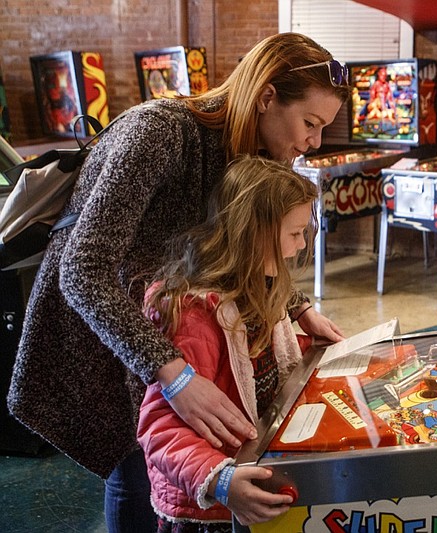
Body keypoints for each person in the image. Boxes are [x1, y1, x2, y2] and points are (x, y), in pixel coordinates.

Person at [7, 32, 348, 533]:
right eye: (310, 123)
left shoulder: (246, 148)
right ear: (267, 97)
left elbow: (236, 240)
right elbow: (81, 270)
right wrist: (174, 373)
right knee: (137, 472)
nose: (313, 141)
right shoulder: (160, 132)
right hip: (99, 328)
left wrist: (297, 307)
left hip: (160, 319)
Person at [138, 155, 315, 531]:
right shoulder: (195, 316)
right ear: (255, 233)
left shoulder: (257, 293)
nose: (300, 246)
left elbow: (255, 369)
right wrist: (218, 480)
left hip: (244, 485)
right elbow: (159, 427)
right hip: (209, 508)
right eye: (295, 233)